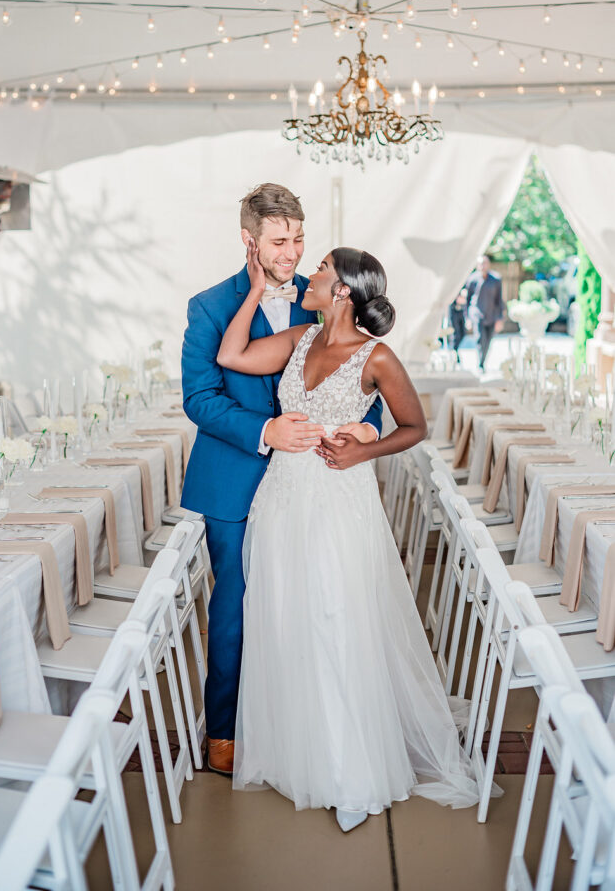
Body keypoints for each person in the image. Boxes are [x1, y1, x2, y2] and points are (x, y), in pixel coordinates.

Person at [218, 243, 479, 832]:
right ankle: (297, 754)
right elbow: (231, 355)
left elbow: (414, 425)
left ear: (342, 290)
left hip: (338, 499)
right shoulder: (298, 340)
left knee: (336, 620)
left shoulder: (376, 356)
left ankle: (350, 772)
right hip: (283, 497)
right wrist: (258, 287)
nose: (309, 275)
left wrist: (365, 447)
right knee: (288, 619)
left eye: (321, 270)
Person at [180, 183, 383, 778]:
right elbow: (199, 398)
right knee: (240, 604)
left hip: (314, 482)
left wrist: (368, 427)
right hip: (236, 478)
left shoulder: (321, 300)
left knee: (316, 600)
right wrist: (266, 429)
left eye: (298, 239)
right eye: (278, 241)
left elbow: (356, 374)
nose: (292, 253)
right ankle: (225, 732)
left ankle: (301, 723)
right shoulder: (210, 306)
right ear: (249, 241)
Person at [466, 255, 504, 370]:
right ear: (477, 265)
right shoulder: (472, 279)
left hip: (491, 315)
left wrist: (500, 318)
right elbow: (468, 300)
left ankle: (483, 360)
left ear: (489, 264)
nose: (483, 266)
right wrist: (467, 318)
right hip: (477, 314)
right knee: (480, 338)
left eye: (485, 263)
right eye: (480, 264)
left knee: (488, 340)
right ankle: (480, 364)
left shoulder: (496, 279)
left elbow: (499, 300)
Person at [449, 287, 468, 361]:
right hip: (453, 309)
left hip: (461, 310)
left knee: (463, 333)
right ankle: (454, 354)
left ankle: (454, 350)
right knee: (455, 334)